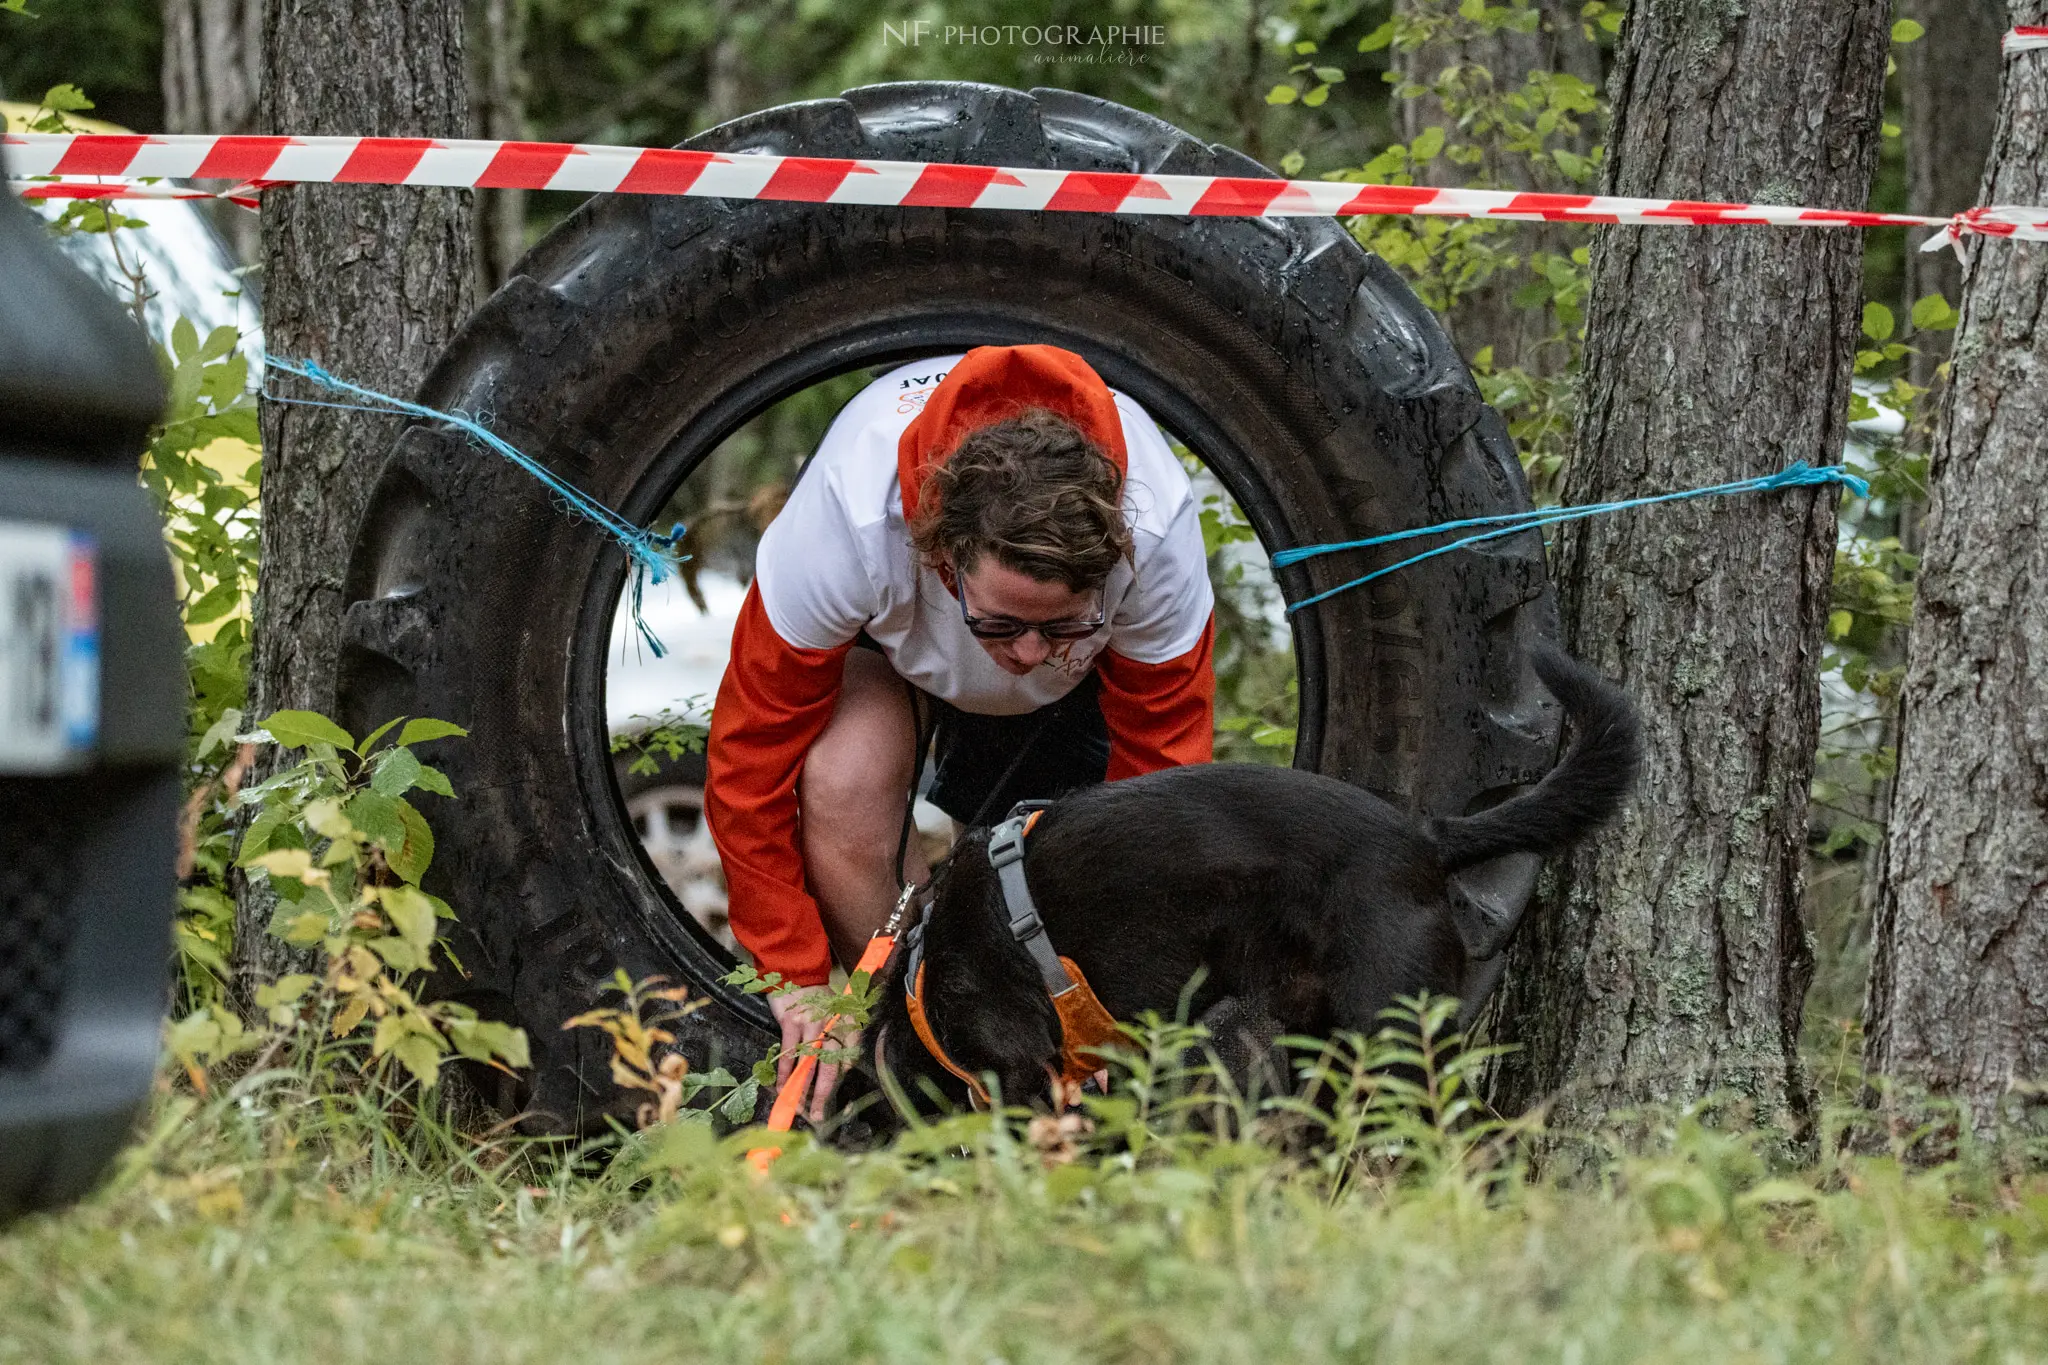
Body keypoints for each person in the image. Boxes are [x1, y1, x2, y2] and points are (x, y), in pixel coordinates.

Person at [703, 343, 1216, 1120]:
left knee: (1097, 849)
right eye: (1003, 622)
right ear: (943, 556)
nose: (1028, 653)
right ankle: (912, 1035)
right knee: (844, 777)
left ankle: (1046, 1061)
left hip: (1088, 688)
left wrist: (1113, 1008)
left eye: (1058, 621)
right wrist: (793, 973)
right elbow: (749, 758)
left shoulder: (1159, 531)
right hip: (892, 654)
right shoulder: (852, 517)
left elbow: (1163, 799)